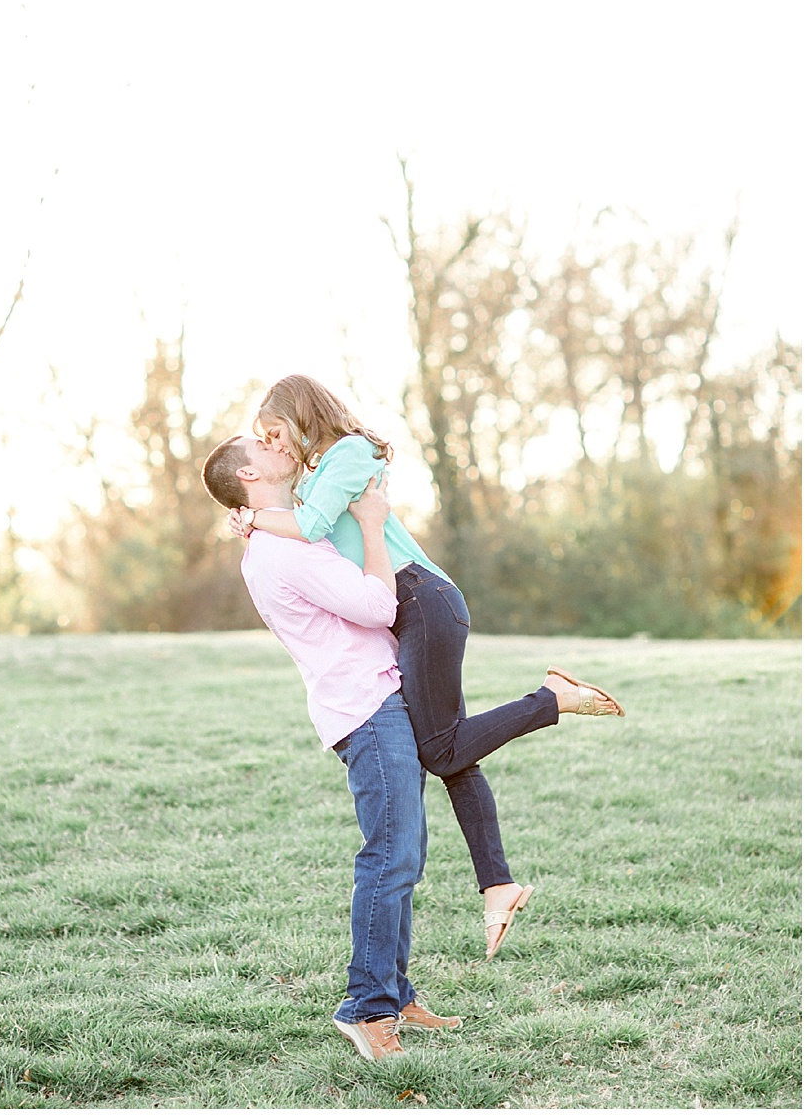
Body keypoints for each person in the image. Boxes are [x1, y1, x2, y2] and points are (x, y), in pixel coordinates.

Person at [211, 375, 624, 958]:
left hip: (421, 602)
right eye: (266, 442)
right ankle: (499, 883)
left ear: (300, 415)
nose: (275, 445)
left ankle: (552, 699)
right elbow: (297, 518)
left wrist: (250, 521)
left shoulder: (350, 454)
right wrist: (245, 515)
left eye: (276, 432)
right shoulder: (318, 471)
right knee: (450, 747)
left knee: (441, 748)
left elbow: (309, 528)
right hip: (407, 611)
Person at [212, 438, 445, 1059]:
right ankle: (366, 1009)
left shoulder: (283, 533)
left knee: (405, 853)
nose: (276, 441)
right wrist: (371, 524)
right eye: (261, 443)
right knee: (389, 854)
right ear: (248, 473)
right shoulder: (280, 553)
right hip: (365, 709)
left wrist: (261, 515)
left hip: (373, 698)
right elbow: (376, 605)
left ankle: (394, 995)